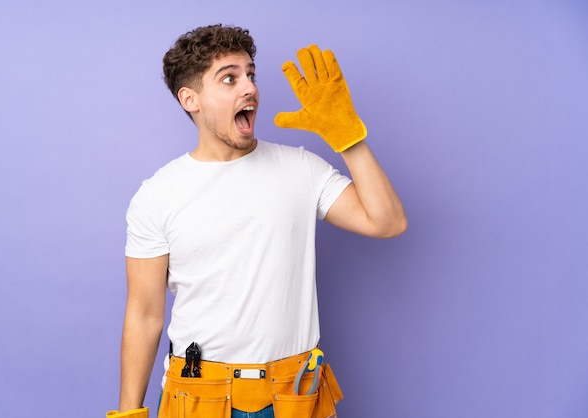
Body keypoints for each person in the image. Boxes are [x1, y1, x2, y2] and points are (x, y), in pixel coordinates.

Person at [107, 24, 407, 418]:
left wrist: (348, 138)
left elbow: (387, 222)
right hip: (199, 398)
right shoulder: (157, 194)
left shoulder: (301, 168)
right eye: (229, 78)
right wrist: (128, 413)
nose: (248, 88)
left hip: (295, 394)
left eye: (250, 74)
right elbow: (144, 314)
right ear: (190, 99)